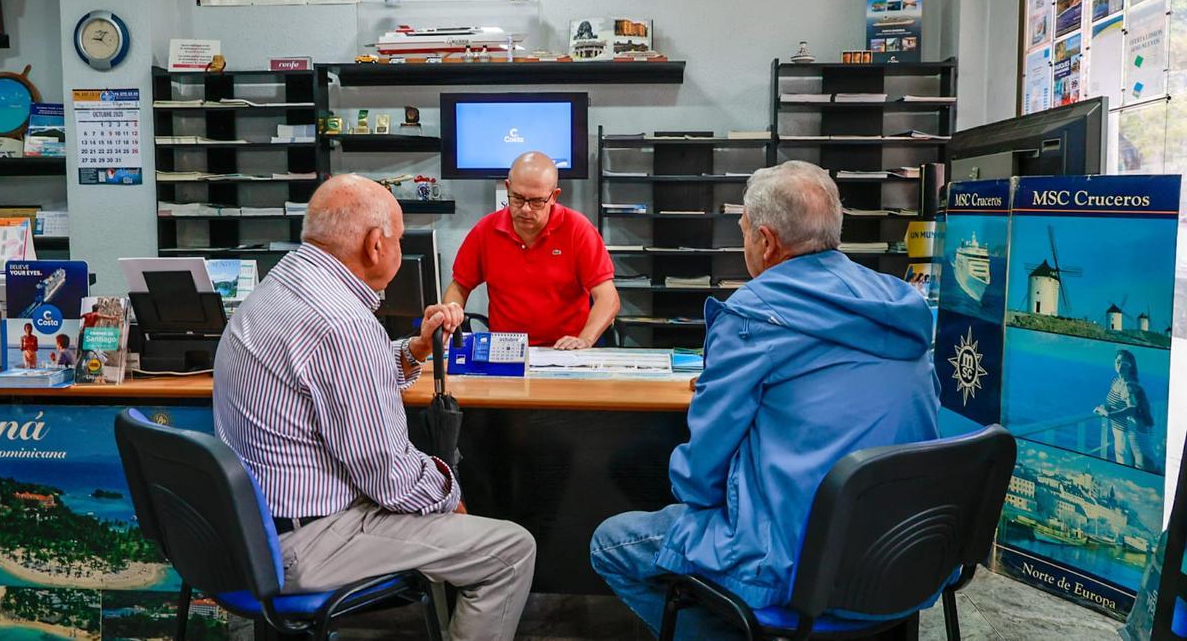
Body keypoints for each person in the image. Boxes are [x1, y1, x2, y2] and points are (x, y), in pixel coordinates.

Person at [589, 161, 941, 638]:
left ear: (767, 241)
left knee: (609, 544)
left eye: (744, 233)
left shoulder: (754, 314)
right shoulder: (902, 305)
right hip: (904, 556)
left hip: (796, 566)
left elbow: (700, 475)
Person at [213, 174, 536, 641]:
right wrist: (448, 494)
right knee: (511, 550)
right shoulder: (343, 324)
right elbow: (387, 474)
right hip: (306, 540)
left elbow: (336, 376)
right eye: (401, 240)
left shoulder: (276, 290)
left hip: (247, 527)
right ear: (376, 243)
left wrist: (416, 350)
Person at [443, 151, 619, 349]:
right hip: (506, 351)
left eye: (536, 201)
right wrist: (450, 317)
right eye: (517, 198)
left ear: (554, 196)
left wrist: (585, 339)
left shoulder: (577, 230)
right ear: (508, 188)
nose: (525, 209)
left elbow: (607, 297)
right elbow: (459, 287)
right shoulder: (486, 231)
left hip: (565, 351)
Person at [1094, 349, 1156, 471]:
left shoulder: (1130, 385)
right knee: (1122, 460)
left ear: (1130, 367)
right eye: (1118, 362)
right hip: (1116, 430)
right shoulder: (1116, 381)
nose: (1120, 365)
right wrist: (1104, 407)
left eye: (1125, 363)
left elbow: (1132, 409)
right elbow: (1111, 401)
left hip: (1125, 433)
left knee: (1124, 464)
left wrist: (1109, 414)